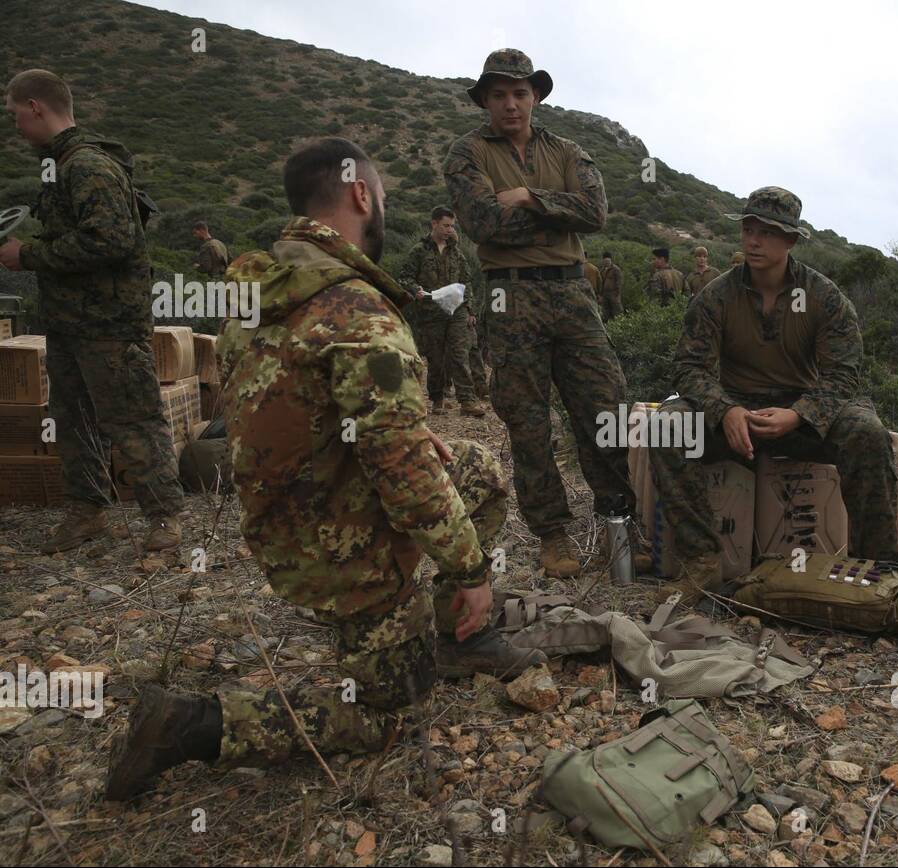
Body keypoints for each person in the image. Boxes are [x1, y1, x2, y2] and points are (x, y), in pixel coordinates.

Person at [104, 137, 544, 801]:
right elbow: (406, 476)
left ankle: (454, 638)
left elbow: (300, 405)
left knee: (478, 468)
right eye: (384, 198)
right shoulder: (356, 309)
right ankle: (188, 725)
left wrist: (403, 426)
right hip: (342, 550)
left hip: (287, 526)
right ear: (361, 195)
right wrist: (471, 574)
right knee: (383, 718)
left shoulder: (263, 293)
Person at [443, 49, 649, 578]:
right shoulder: (465, 153)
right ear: (485, 100)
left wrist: (529, 198)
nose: (510, 104)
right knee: (527, 419)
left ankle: (618, 524)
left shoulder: (567, 149)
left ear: (535, 96)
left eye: (519, 92)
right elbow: (483, 223)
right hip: (508, 297)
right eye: (499, 94)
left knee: (605, 407)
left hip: (572, 293)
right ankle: (552, 535)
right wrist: (558, 212)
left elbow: (597, 212)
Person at [650, 187, 898, 602]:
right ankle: (702, 562)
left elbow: (844, 372)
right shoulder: (716, 295)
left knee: (867, 433)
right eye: (748, 229)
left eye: (767, 232)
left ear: (791, 240)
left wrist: (800, 414)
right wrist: (724, 410)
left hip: (801, 415)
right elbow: (689, 367)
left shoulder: (824, 297)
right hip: (736, 415)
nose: (753, 240)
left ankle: (879, 570)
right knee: (665, 428)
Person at [0, 69, 182, 553]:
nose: (15, 125)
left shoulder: (86, 165)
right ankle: (87, 512)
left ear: (37, 106)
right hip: (69, 323)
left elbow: (112, 241)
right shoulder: (60, 165)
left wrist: (29, 257)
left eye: (16, 113)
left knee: (133, 419)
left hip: (108, 324)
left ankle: (164, 518)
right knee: (71, 419)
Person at [397, 206, 485, 417]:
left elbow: (466, 281)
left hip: (457, 310)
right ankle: (437, 399)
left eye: (452, 226)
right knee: (436, 359)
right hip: (431, 311)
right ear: (434, 224)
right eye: (445, 225)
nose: (449, 230)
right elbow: (404, 277)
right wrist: (415, 289)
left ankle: (467, 401)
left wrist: (470, 308)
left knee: (459, 354)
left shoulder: (456, 251)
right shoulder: (419, 251)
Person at [599, 250, 623, 322]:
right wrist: (601, 294)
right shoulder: (602, 270)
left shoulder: (616, 269)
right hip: (605, 294)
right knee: (606, 311)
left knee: (617, 311)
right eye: (605, 260)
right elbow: (601, 282)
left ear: (610, 260)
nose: (606, 262)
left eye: (607, 260)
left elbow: (619, 281)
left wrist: (617, 293)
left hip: (613, 293)